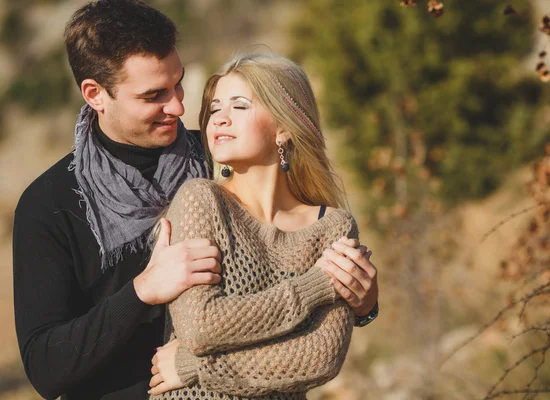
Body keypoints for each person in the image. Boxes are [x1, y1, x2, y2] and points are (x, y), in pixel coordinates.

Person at [12, 1, 379, 399]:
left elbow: (298, 259)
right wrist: (142, 291)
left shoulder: (222, 159)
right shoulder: (50, 204)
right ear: (95, 94)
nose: (179, 107)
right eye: (154, 95)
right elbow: (46, 369)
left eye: (178, 84)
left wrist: (362, 302)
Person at [147, 53, 374, 400]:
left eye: (239, 107)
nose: (218, 120)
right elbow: (201, 327)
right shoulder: (200, 201)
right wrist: (316, 285)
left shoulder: (332, 227)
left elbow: (319, 357)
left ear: (283, 128)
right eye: (215, 109)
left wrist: (196, 367)